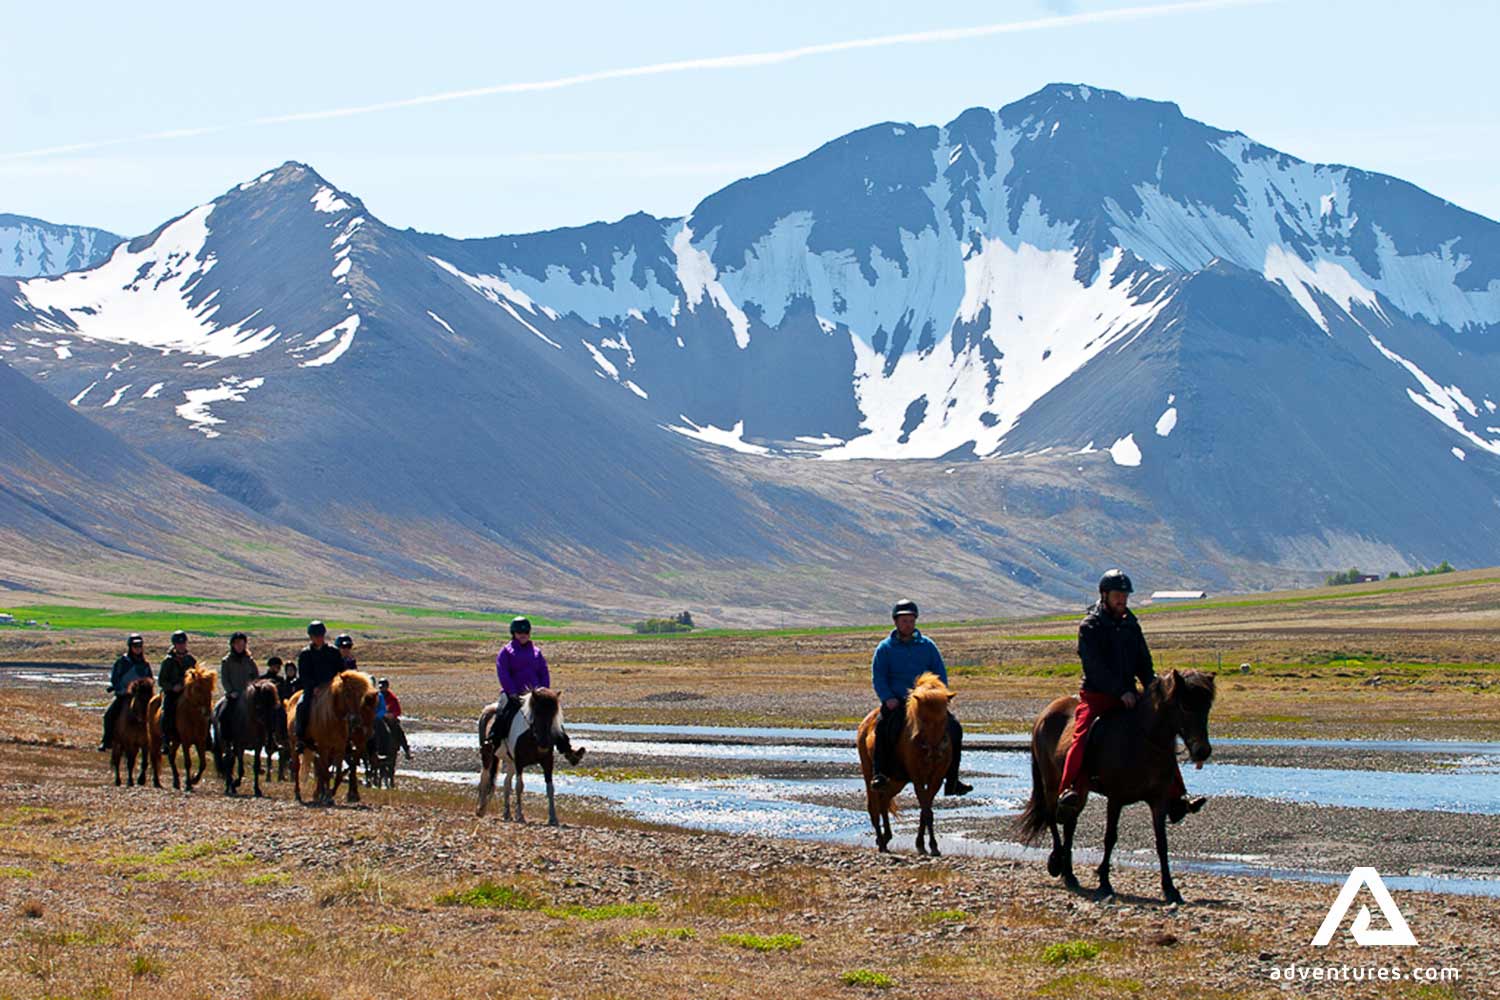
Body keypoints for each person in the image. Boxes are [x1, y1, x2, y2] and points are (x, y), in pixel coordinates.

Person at [1056, 570, 1206, 824]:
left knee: (1161, 730)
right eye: (1118, 595)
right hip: (1098, 695)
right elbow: (1094, 667)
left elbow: (1143, 663)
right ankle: (1069, 787)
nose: (1122, 600)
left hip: (1130, 696)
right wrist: (1119, 691)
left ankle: (1177, 794)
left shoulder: (1131, 624)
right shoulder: (1090, 626)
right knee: (1082, 733)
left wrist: (1155, 690)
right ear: (1105, 596)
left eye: (1125, 596)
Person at [869, 600, 971, 796]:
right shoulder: (885, 648)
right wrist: (888, 698)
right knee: (882, 727)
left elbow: (940, 673)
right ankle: (880, 773)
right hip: (898, 702)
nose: (908, 624)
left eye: (911, 620)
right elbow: (879, 677)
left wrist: (939, 695)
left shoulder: (928, 646)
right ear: (896, 622)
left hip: (926, 703)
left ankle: (952, 779)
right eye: (904, 620)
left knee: (955, 728)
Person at [493, 617, 583, 764]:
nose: (523, 635)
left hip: (535, 696)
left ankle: (568, 751)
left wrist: (544, 692)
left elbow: (543, 671)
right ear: (513, 633)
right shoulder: (506, 652)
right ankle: (493, 742)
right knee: (503, 714)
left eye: (526, 632)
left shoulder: (536, 652)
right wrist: (512, 692)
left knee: (552, 719)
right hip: (513, 693)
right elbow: (503, 673)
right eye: (519, 632)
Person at [293, 621, 345, 753]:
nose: (318, 638)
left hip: (331, 689)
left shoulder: (333, 652)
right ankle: (300, 737)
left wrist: (335, 685)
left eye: (320, 635)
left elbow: (341, 671)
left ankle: (348, 738)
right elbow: (304, 674)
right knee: (301, 705)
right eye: (315, 636)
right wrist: (312, 687)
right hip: (314, 689)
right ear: (310, 637)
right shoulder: (305, 654)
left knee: (349, 707)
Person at [100, 634, 152, 751]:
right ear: (130, 647)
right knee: (109, 715)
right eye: (135, 646)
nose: (137, 648)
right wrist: (122, 690)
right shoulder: (122, 662)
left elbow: (150, 679)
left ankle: (155, 740)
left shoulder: (145, 664)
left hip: (140, 697)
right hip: (124, 696)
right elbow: (115, 679)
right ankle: (106, 740)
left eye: (139, 646)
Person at [214, 632, 258, 738]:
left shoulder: (249, 660)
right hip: (233, 695)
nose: (240, 646)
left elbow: (256, 676)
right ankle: (226, 741)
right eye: (238, 644)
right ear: (232, 645)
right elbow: (225, 679)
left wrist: (252, 688)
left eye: (242, 644)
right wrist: (231, 691)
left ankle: (268, 739)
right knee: (223, 714)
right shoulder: (227, 661)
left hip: (248, 695)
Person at [157, 630, 197, 745]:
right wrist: (172, 687)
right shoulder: (168, 661)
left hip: (188, 693)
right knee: (166, 711)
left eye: (183, 643)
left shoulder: (191, 660)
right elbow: (161, 681)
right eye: (179, 644)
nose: (181, 645)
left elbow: (197, 676)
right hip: (172, 693)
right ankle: (166, 738)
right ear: (174, 645)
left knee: (204, 710)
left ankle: (207, 738)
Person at [375, 677, 412, 760]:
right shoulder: (376, 696)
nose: (382, 689)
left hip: (389, 718)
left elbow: (398, 711)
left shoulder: (392, 698)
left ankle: (406, 749)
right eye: (381, 687)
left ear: (387, 687)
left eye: (383, 687)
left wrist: (390, 715)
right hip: (378, 717)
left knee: (398, 730)